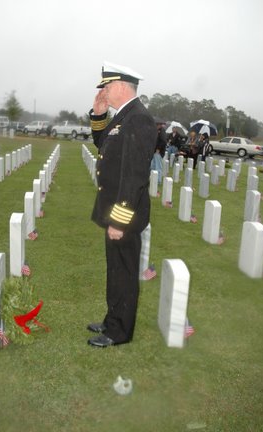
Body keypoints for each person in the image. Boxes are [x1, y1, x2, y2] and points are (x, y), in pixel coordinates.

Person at [87, 61, 157, 348]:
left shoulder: (138, 119)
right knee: (115, 270)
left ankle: (119, 332)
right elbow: (103, 144)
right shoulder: (123, 116)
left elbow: (134, 177)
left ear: (119, 86)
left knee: (125, 272)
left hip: (123, 214)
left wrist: (119, 220)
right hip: (114, 210)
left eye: (105, 87)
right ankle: (112, 319)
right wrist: (99, 115)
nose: (103, 91)